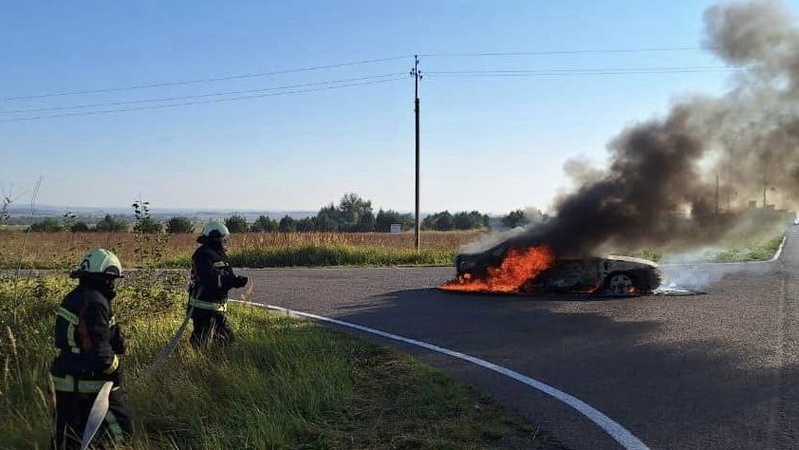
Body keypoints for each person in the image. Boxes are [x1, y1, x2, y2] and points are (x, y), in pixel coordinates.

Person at [50, 248, 133, 449]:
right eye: (111, 279)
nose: (113, 284)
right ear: (104, 277)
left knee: (69, 439)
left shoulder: (78, 297)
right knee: (120, 431)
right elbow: (99, 352)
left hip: (68, 381)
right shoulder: (95, 303)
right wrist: (115, 371)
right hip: (89, 384)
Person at [188, 221, 248, 348]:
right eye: (223, 239)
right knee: (201, 343)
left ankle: (216, 364)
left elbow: (225, 276)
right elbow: (208, 280)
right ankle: (195, 364)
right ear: (215, 238)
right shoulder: (202, 255)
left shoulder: (219, 255)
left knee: (226, 341)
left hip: (216, 308)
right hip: (203, 309)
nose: (225, 242)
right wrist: (230, 281)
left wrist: (236, 281)